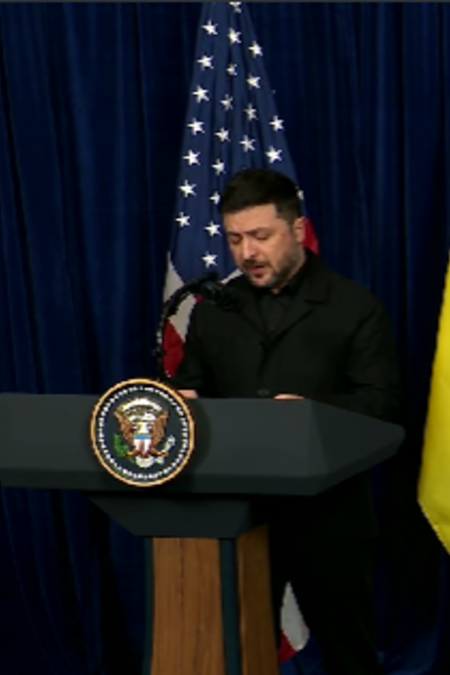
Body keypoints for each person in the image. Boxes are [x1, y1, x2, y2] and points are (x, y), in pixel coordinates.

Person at [170, 167, 401, 674]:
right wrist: (182, 405)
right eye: (235, 239)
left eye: (260, 236)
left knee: (351, 658)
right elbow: (193, 388)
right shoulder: (213, 311)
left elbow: (383, 407)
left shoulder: (354, 308)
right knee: (236, 651)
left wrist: (312, 416)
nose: (247, 252)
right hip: (238, 516)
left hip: (330, 520)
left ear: (297, 230)